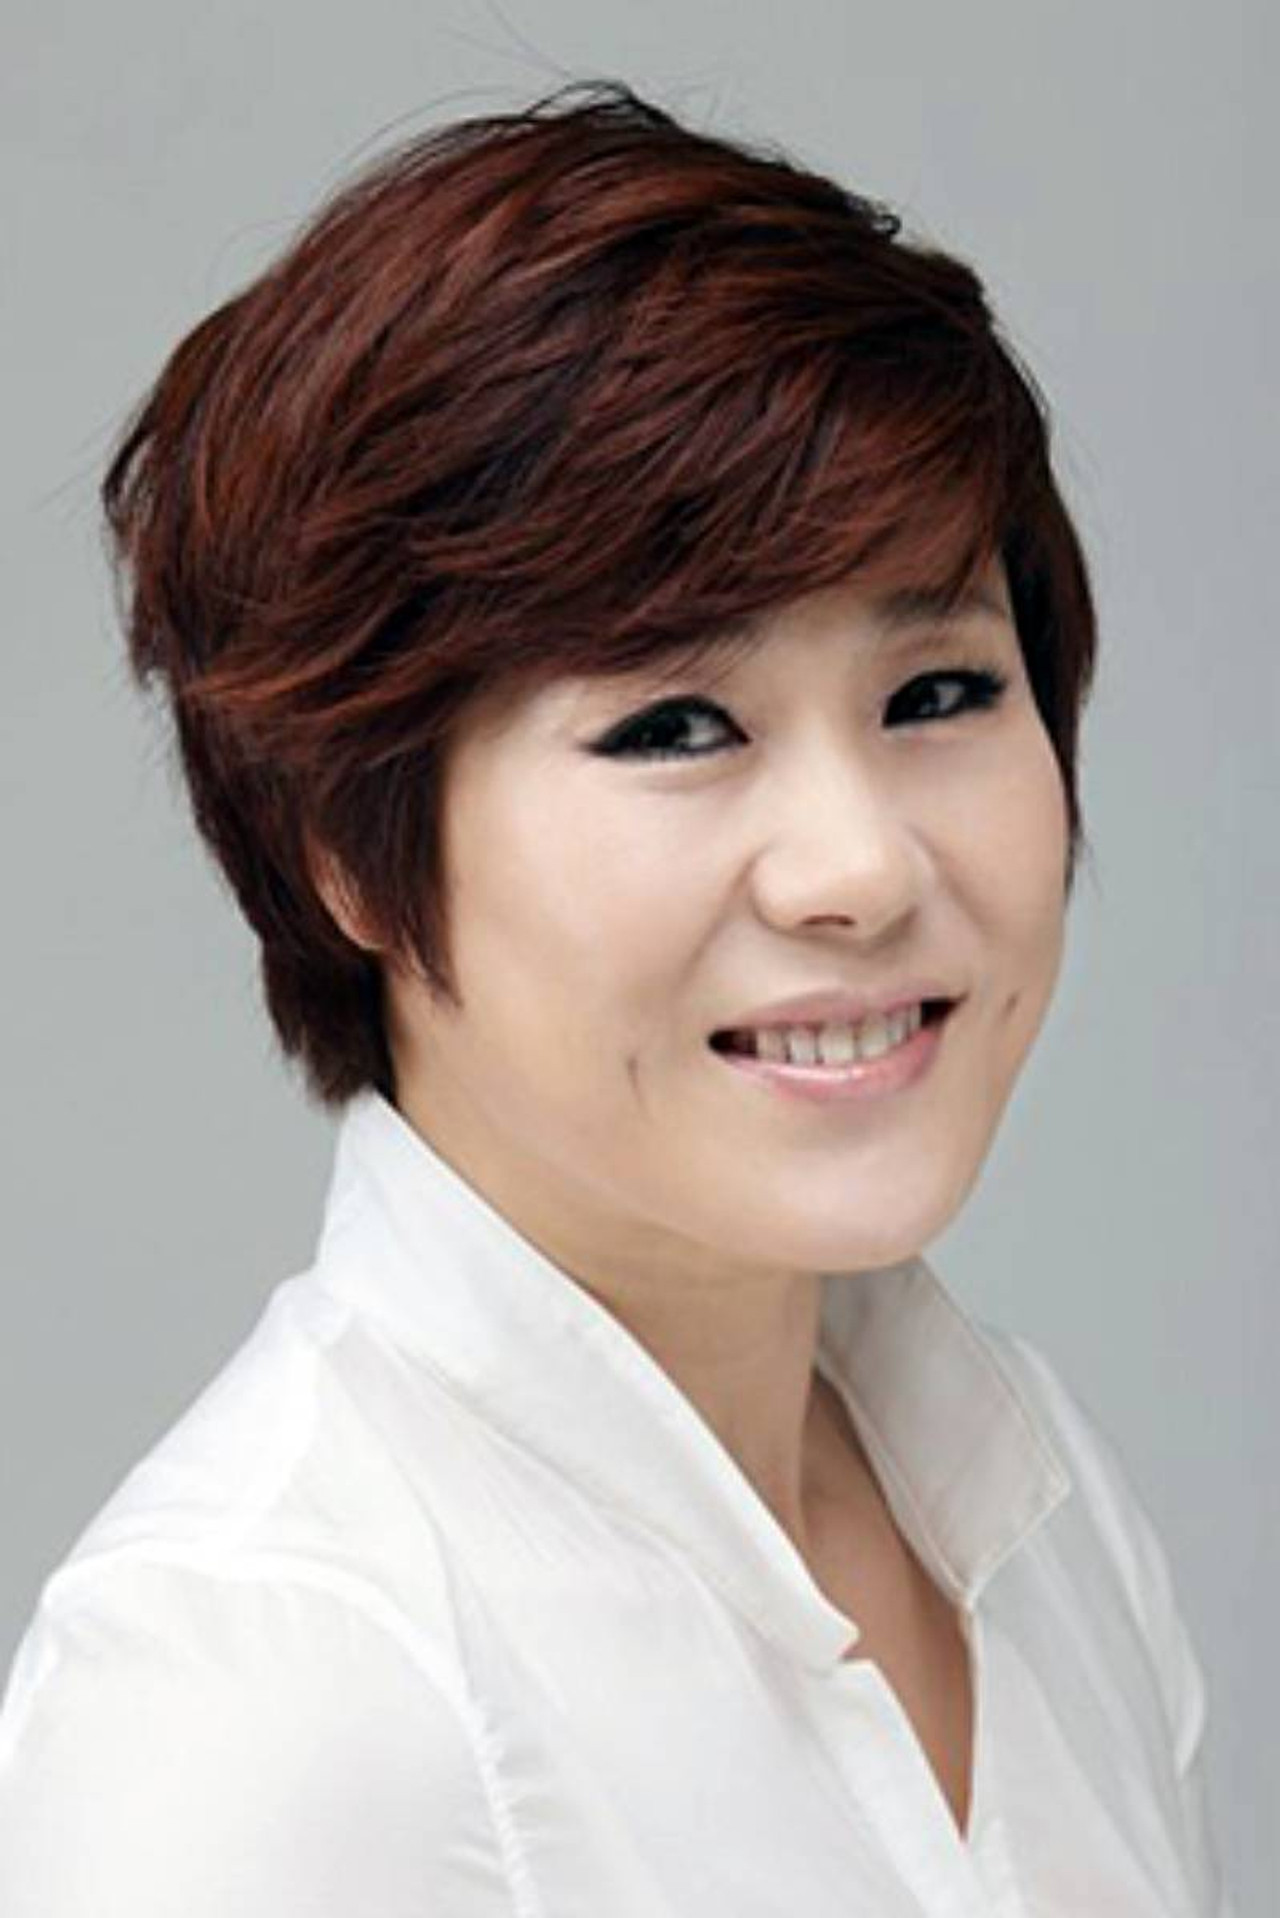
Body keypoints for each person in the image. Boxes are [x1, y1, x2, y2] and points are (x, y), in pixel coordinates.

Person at [0, 78, 1232, 1915]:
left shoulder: (1034, 1512)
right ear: (350, 849)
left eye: (939, 694)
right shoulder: (265, 1691)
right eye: (675, 726)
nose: (859, 866)